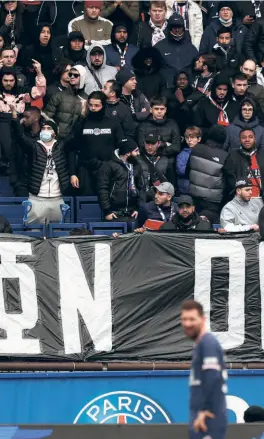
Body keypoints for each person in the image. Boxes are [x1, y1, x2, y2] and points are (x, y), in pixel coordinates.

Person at [11, 112, 70, 225]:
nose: (45, 130)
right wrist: (14, 117)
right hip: (36, 198)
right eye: (43, 128)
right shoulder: (33, 146)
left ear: (55, 133)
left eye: (49, 128)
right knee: (34, 233)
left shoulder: (61, 146)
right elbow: (20, 136)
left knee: (57, 234)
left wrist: (82, 115)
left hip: (57, 198)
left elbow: (73, 135)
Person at [181, 300, 227, 439]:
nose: (187, 324)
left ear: (203, 319)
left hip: (207, 419)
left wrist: (204, 410)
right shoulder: (202, 344)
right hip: (203, 416)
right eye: (184, 319)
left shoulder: (208, 343)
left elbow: (212, 377)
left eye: (192, 319)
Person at [69, 90, 124, 196]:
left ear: (103, 105)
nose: (93, 108)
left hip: (107, 170)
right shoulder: (82, 122)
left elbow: (122, 146)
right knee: (86, 204)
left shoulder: (113, 122)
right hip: (85, 169)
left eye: (97, 105)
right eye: (90, 105)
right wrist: (73, 173)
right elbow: (72, 148)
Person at [0, 62, 46, 173]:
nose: (8, 83)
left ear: (15, 80)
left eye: (11, 81)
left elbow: (41, 92)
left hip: (19, 124)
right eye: (5, 81)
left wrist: (39, 72)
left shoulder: (23, 92)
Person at [188, 125, 228, 224]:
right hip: (213, 202)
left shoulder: (196, 149)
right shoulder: (225, 156)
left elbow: (186, 171)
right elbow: (227, 181)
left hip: (194, 197)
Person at [97, 138, 143, 221]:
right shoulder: (108, 166)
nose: (138, 153)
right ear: (128, 153)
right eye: (136, 151)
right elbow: (102, 189)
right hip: (114, 213)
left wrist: (138, 208)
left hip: (133, 213)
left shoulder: (136, 165)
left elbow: (141, 187)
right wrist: (107, 211)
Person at [44, 65, 88, 139]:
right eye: (70, 74)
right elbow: (47, 118)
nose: (72, 77)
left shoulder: (87, 99)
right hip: (58, 139)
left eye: (76, 75)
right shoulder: (58, 96)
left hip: (78, 140)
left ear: (82, 77)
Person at [155, 13, 198, 87]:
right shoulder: (159, 47)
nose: (177, 30)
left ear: (183, 28)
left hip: (187, 89)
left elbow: (197, 70)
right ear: (169, 28)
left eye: (179, 27)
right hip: (167, 89)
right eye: (174, 27)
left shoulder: (191, 48)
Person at [224, 128, 264, 203]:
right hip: (241, 202)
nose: (247, 140)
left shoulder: (262, 155)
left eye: (250, 137)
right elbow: (229, 181)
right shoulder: (233, 157)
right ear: (240, 140)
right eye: (244, 137)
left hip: (260, 200)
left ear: (255, 139)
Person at [194, 74, 239, 140]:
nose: (222, 92)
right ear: (214, 88)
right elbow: (198, 128)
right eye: (219, 89)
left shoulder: (235, 105)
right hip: (209, 142)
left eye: (225, 90)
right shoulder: (204, 104)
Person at [10, 106, 42, 197]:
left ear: (36, 118)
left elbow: (29, 144)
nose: (24, 120)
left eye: (27, 117)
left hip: (38, 182)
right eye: (23, 117)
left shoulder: (43, 135)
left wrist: (15, 119)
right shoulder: (23, 133)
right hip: (22, 182)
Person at [165, 70, 205, 135]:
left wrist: (182, 101)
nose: (182, 82)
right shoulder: (169, 93)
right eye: (179, 79)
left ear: (188, 81)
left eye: (184, 79)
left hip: (190, 129)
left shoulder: (196, 95)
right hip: (171, 127)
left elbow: (192, 116)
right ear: (175, 81)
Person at [137, 133, 169, 201]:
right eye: (147, 143)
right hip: (141, 197)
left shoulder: (165, 159)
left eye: (153, 144)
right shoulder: (137, 158)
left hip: (159, 196)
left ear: (159, 143)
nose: (150, 147)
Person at [177, 126, 201, 195]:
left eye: (192, 137)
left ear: (199, 139)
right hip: (185, 189)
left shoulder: (203, 153)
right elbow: (180, 171)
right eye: (187, 138)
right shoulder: (182, 154)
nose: (189, 140)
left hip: (199, 189)